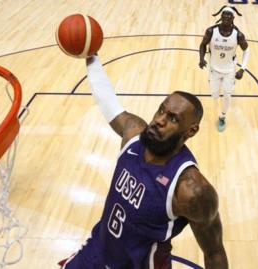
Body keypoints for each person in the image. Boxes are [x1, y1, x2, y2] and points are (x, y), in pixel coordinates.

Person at [58, 55, 228, 268]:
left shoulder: (192, 191)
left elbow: (214, 253)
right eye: (161, 110)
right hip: (97, 254)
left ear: (191, 131)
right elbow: (108, 101)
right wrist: (91, 55)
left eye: (172, 118)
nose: (159, 120)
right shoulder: (134, 137)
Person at [198, 5, 250, 132]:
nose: (226, 18)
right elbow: (202, 45)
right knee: (214, 95)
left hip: (229, 70)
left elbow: (247, 50)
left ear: (233, 18)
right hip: (214, 69)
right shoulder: (211, 31)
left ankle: (222, 117)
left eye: (228, 16)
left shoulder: (238, 35)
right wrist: (201, 59)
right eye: (224, 16)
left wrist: (242, 68)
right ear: (221, 17)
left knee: (227, 95)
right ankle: (220, 88)